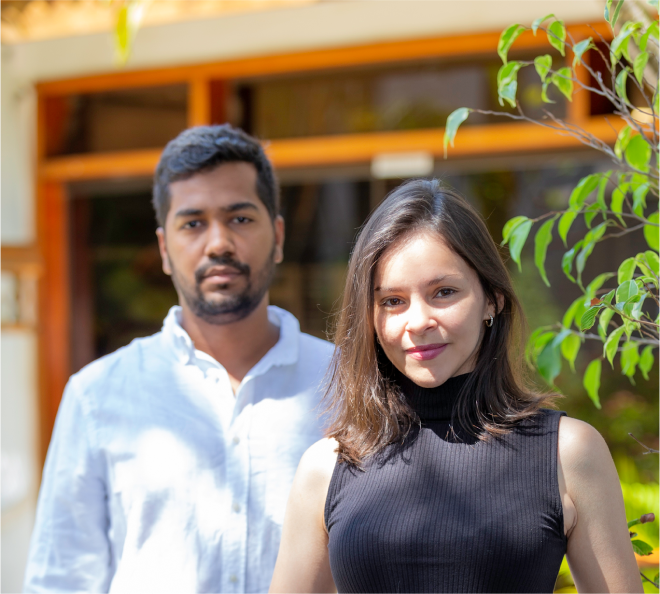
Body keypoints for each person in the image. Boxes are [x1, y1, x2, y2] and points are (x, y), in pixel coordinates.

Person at [269, 179, 642, 594]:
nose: (418, 322)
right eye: (392, 300)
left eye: (443, 292)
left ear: (492, 299)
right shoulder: (328, 466)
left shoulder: (568, 453)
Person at [24, 125, 333, 594]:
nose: (218, 244)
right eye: (192, 223)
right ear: (165, 249)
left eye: (240, 219)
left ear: (278, 235)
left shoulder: (348, 384)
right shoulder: (96, 395)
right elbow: (61, 580)